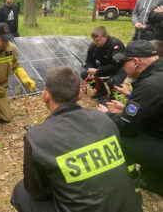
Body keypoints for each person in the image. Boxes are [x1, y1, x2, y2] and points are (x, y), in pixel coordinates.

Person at [11, 67, 142, 212]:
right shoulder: (103, 118)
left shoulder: (36, 137)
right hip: (129, 206)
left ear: (45, 96)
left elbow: (37, 192)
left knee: (21, 192)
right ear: (79, 95)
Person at [98, 40, 163, 196]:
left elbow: (126, 127)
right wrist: (126, 110)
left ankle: (129, 181)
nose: (121, 67)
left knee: (114, 137)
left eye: (123, 62)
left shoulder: (150, 85)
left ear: (135, 62)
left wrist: (107, 114)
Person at [82, 26, 126, 99]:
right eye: (94, 40)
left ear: (105, 36)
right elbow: (89, 61)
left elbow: (117, 65)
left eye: (98, 40)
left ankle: (114, 97)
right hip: (105, 65)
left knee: (112, 82)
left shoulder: (116, 45)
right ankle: (101, 91)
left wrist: (98, 71)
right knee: (84, 74)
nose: (95, 43)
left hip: (120, 67)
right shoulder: (93, 46)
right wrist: (90, 71)